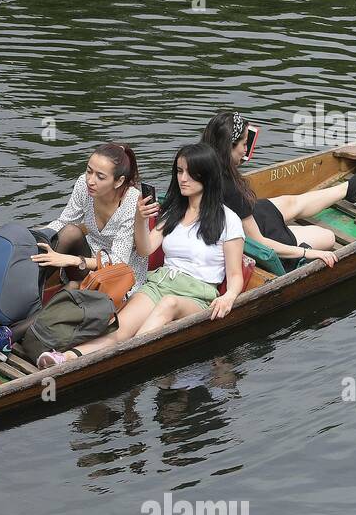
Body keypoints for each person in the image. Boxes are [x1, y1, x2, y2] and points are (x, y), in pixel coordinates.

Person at [38, 141, 245, 367]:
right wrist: (140, 218)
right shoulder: (173, 213)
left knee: (169, 303)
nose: (183, 178)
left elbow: (235, 275)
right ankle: (66, 357)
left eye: (191, 173)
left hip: (197, 295)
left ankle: (128, 359)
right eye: (179, 171)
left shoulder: (228, 220)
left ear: (208, 176)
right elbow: (146, 249)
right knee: (119, 329)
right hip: (158, 283)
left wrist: (229, 296)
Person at [0, 142, 148, 359]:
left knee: (74, 285)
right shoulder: (84, 186)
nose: (91, 180)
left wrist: (71, 261)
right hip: (88, 256)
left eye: (100, 177)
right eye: (88, 171)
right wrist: (31, 238)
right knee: (70, 232)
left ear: (119, 181)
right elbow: (64, 221)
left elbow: (119, 260)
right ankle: (26, 301)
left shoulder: (131, 201)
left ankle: (10, 334)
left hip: (119, 276)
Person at [202, 110, 356, 271]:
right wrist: (307, 253)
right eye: (243, 144)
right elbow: (260, 243)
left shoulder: (202, 165)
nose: (246, 150)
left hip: (247, 219)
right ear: (228, 146)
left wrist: (237, 156)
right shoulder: (231, 190)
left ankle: (349, 189)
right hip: (253, 239)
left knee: (291, 202)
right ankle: (348, 192)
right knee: (328, 237)